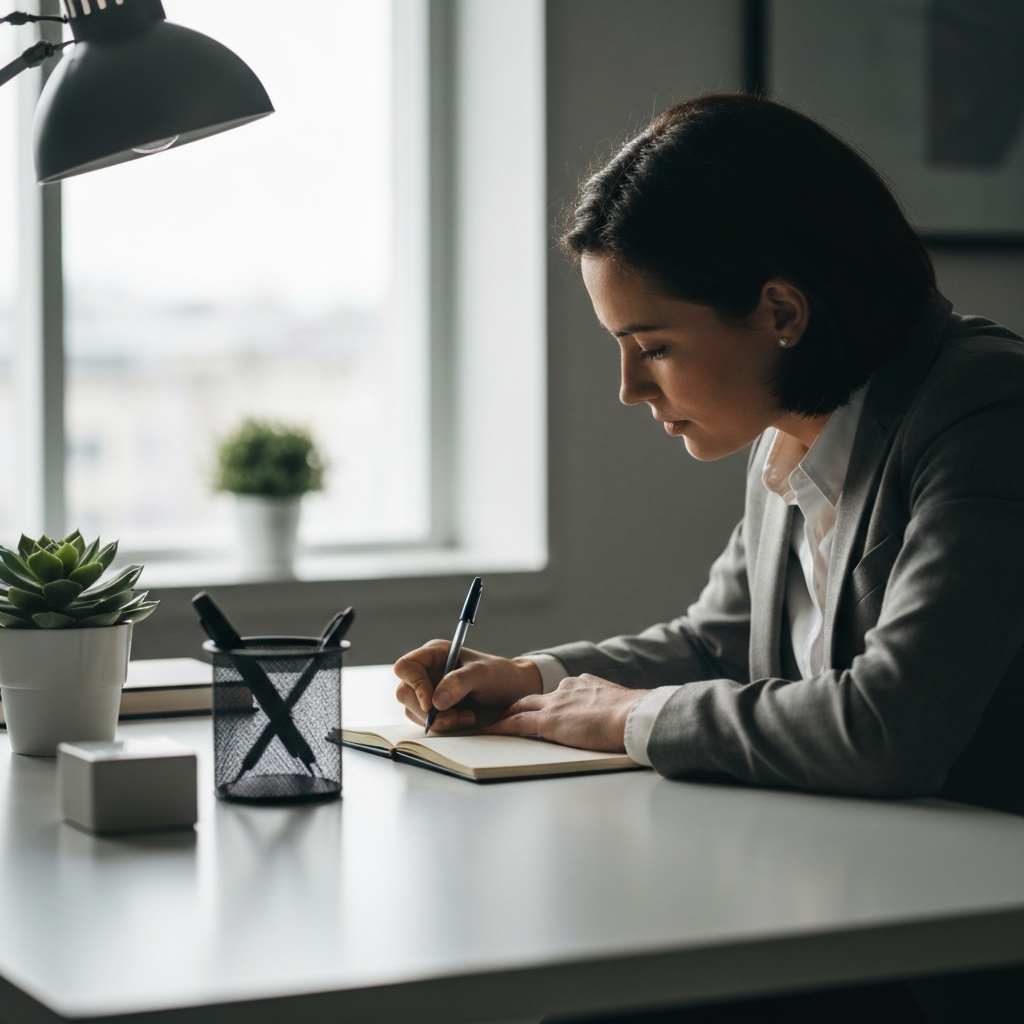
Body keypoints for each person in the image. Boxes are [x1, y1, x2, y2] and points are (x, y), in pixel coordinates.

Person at [395, 93, 1024, 1019]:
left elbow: (890, 727)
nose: (626, 387)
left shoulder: (985, 410)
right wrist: (535, 677)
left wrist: (628, 719)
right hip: (839, 895)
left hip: (958, 944)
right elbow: (715, 640)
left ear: (780, 311)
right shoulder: (791, 427)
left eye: (651, 346)